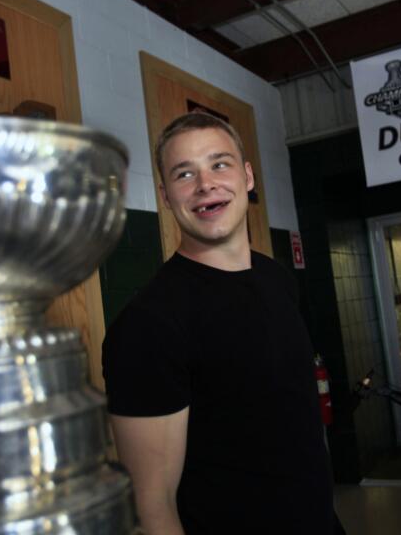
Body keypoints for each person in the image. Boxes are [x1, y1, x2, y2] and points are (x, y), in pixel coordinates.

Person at [102, 112, 337, 535]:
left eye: (219, 164)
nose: (206, 184)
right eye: (184, 174)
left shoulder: (276, 278)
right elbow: (150, 506)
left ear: (247, 176)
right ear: (165, 195)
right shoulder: (148, 326)